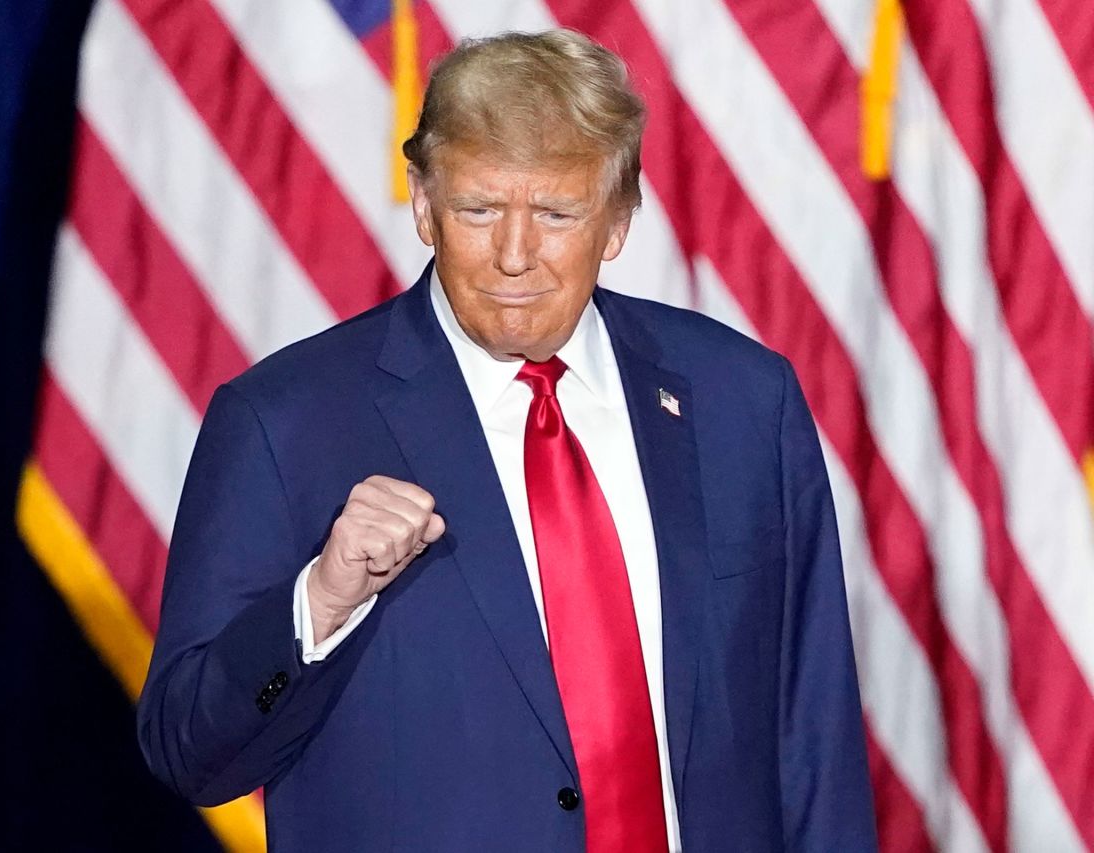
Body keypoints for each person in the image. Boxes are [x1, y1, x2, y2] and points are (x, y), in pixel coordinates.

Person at [137, 29, 877, 853]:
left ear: (619, 219)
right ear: (424, 203)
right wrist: (321, 601)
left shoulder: (743, 401)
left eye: (557, 213)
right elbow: (187, 751)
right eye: (479, 209)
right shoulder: (283, 423)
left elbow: (814, 741)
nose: (515, 255)